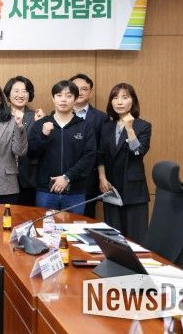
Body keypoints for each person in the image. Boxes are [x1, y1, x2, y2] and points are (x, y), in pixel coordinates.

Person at [27, 80, 96, 214]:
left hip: (75, 192)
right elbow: (31, 153)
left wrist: (67, 177)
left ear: (75, 99)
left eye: (68, 96)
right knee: (44, 226)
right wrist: (44, 135)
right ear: (53, 98)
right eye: (59, 95)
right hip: (46, 191)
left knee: (73, 227)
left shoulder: (85, 126)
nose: (63, 100)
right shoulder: (41, 124)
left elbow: (89, 157)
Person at [97, 83, 151, 244]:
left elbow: (138, 153)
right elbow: (100, 154)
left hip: (133, 190)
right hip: (110, 188)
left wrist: (130, 129)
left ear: (132, 101)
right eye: (115, 98)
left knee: (136, 240)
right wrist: (102, 178)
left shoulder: (143, 126)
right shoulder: (107, 126)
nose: (119, 102)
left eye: (124, 97)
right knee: (113, 239)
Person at [70, 73, 109, 218]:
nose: (79, 92)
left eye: (84, 89)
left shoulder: (101, 118)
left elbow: (102, 150)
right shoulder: (56, 115)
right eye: (76, 88)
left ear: (90, 92)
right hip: (63, 178)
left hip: (89, 179)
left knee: (85, 220)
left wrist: (101, 177)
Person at [3, 76, 45, 206]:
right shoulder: (0, 116)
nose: (20, 95)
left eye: (25, 91)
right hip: (3, 177)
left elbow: (40, 147)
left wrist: (40, 125)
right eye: (16, 91)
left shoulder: (36, 116)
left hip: (29, 177)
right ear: (8, 94)